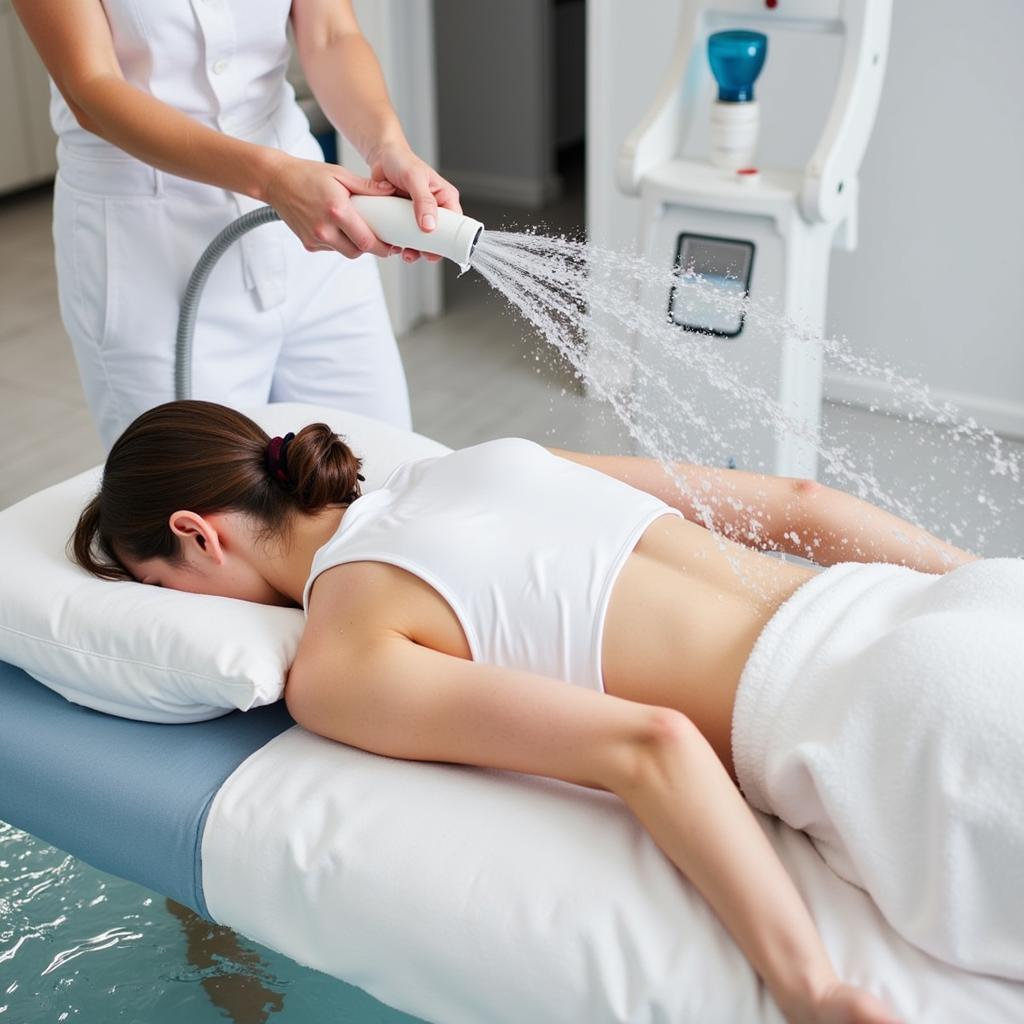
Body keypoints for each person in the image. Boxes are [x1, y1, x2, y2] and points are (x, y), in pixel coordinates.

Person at [72, 400, 1010, 1024]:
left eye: (165, 585)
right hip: (951, 614)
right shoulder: (483, 459)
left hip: (896, 739)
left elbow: (653, 746)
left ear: (197, 534)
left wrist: (810, 987)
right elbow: (802, 503)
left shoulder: (339, 655)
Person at [14, 0, 459, 447]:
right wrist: (272, 178)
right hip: (149, 250)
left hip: (311, 226)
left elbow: (331, 34)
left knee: (379, 459)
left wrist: (386, 146)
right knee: (204, 499)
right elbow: (90, 87)